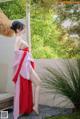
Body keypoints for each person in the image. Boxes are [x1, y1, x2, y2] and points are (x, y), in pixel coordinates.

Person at [10, 21, 42, 119]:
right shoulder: (18, 39)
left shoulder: (19, 39)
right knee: (39, 83)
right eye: (23, 28)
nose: (24, 29)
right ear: (18, 29)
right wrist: (25, 55)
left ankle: (35, 106)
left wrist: (26, 55)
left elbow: (20, 52)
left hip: (27, 65)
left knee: (38, 83)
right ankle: (35, 106)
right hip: (26, 66)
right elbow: (16, 52)